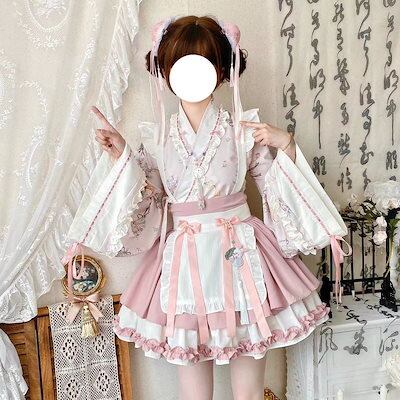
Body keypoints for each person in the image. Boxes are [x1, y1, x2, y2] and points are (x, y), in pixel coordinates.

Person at [66, 15, 351, 400]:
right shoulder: (158, 138)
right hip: (185, 263)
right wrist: (122, 156)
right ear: (165, 71)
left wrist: (286, 145)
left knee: (248, 393)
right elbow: (149, 197)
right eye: (180, 64)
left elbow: (274, 189)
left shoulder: (244, 131)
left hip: (243, 259)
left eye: (202, 63)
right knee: (194, 394)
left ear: (221, 70)